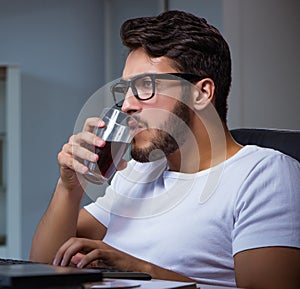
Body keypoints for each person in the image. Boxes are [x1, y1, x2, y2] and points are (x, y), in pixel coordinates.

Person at [30, 10, 300, 289]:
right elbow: (43, 268)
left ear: (201, 92)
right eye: (125, 90)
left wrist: (139, 269)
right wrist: (69, 187)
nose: (127, 105)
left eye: (146, 86)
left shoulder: (265, 174)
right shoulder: (138, 173)